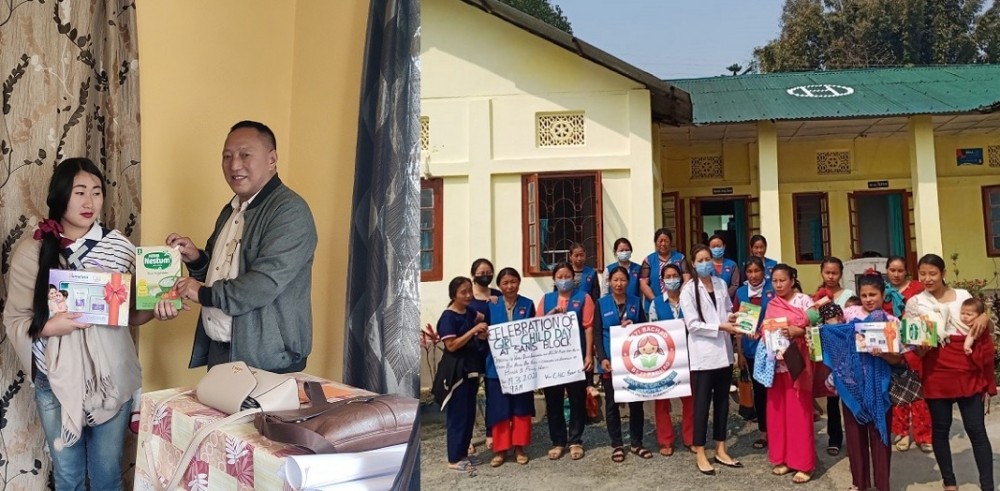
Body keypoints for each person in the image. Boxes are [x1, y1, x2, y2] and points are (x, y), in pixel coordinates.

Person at [3, 158, 167, 490]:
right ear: (60, 196)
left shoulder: (119, 247)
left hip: (110, 379)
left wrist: (156, 310)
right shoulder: (32, 251)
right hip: (55, 380)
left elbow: (128, 314)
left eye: (96, 192)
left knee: (107, 474)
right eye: (79, 192)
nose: (89, 202)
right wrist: (52, 326)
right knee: (68, 475)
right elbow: (17, 319)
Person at [162, 121, 318, 373]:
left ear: (272, 159)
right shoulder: (232, 209)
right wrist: (197, 258)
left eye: (245, 155)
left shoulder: (290, 211)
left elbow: (263, 284)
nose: (234, 165)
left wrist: (201, 293)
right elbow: (220, 270)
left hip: (268, 357)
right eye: (227, 156)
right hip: (222, 349)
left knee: (260, 416)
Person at [905, 254, 995, 491]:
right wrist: (922, 349)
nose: (927, 278)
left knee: (976, 430)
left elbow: (986, 326)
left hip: (967, 369)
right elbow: (914, 345)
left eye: (932, 273)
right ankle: (950, 482)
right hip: (936, 371)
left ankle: (988, 485)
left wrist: (985, 316)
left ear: (943, 273)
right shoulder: (915, 303)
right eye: (922, 273)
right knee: (941, 429)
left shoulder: (963, 297)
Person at [824, 271, 900, 491]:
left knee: (880, 439)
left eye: (873, 294)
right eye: (864, 295)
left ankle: (883, 485)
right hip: (852, 387)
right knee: (855, 441)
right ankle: (859, 484)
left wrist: (883, 353)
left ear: (883, 294)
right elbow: (831, 331)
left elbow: (897, 358)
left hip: (879, 388)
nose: (868, 299)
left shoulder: (891, 322)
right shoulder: (848, 314)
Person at [679, 244, 743, 476]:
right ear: (694, 264)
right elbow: (693, 325)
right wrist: (721, 326)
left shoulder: (721, 283)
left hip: (723, 354)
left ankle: (721, 448)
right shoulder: (688, 290)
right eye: (701, 260)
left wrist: (734, 318)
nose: (706, 263)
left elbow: (726, 311)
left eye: (708, 259)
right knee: (701, 405)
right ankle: (700, 451)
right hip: (703, 356)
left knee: (723, 404)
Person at [755, 264, 815, 484]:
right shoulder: (772, 304)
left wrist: (798, 330)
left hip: (797, 365)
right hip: (776, 365)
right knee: (778, 413)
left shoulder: (805, 302)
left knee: (799, 413)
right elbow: (765, 329)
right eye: (775, 281)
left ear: (792, 280)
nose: (779, 285)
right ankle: (783, 458)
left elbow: (816, 327)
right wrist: (760, 334)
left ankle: (804, 463)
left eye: (783, 280)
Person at [537, 261, 596, 461]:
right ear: (554, 279)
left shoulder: (584, 298)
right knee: (553, 401)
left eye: (567, 276)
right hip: (551, 361)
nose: (564, 280)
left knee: (577, 399)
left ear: (573, 278)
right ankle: (558, 441)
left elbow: (588, 327)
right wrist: (549, 315)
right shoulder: (546, 300)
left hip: (576, 358)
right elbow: (537, 327)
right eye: (560, 277)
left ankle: (576, 440)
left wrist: (589, 355)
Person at [595, 267, 652, 463]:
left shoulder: (636, 302)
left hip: (633, 362)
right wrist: (602, 358)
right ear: (610, 282)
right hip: (610, 363)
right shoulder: (601, 303)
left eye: (622, 280)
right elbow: (596, 334)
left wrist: (633, 326)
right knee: (612, 405)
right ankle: (617, 444)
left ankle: (637, 443)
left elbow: (645, 330)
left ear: (628, 282)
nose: (619, 284)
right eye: (615, 280)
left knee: (637, 403)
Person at [432, 277, 488, 472]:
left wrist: (493, 301)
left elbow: (483, 317)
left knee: (468, 414)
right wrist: (473, 330)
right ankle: (454, 457)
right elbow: (452, 345)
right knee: (457, 415)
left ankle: (464, 453)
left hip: (470, 368)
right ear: (453, 294)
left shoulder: (469, 311)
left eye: (470, 291)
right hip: (456, 371)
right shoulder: (448, 317)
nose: (468, 295)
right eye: (463, 292)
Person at [484, 268, 535, 467]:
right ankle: (500, 449)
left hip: (522, 366)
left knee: (521, 407)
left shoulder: (528, 304)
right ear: (499, 286)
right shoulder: (491, 306)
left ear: (519, 282)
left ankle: (520, 447)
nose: (510, 286)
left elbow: (536, 332)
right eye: (505, 283)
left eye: (513, 281)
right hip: (496, 367)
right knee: (499, 408)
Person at [881, 256, 930, 453]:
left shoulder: (917, 289)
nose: (896, 274)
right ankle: (901, 433)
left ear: (906, 272)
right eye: (892, 270)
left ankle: (924, 435)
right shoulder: (883, 292)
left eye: (900, 270)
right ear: (887, 270)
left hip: (915, 346)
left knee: (919, 395)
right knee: (898, 394)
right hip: (893, 348)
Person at [647, 263, 695, 456]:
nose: (672, 279)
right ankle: (665, 440)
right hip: (664, 359)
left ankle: (691, 438)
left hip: (689, 357)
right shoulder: (655, 303)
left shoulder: (689, 301)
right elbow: (652, 330)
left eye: (675, 275)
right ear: (663, 280)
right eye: (668, 276)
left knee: (690, 400)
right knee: (662, 400)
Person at [814, 256, 854, 457]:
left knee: (849, 396)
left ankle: (856, 437)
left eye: (834, 272)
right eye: (827, 272)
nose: (830, 276)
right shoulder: (817, 296)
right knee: (831, 397)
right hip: (826, 354)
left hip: (846, 352)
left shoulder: (848, 295)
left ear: (841, 274)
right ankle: (834, 438)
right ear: (821, 272)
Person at [734, 256, 772, 450]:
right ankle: (764, 433)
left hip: (773, 349)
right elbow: (738, 325)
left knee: (774, 391)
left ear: (763, 271)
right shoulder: (741, 293)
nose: (754, 275)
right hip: (750, 351)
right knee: (759, 392)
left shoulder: (773, 290)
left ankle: (779, 431)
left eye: (757, 271)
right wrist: (739, 352)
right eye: (750, 272)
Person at [468, 258, 501, 454]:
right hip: (471, 353)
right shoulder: (466, 296)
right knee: (468, 396)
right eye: (481, 272)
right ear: (473, 274)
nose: (485, 276)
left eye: (489, 272)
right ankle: (467, 437)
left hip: (493, 353)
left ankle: (491, 433)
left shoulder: (497, 295)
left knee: (493, 394)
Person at [639, 228, 689, 313]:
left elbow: (687, 279)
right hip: (654, 305)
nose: (663, 243)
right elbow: (643, 284)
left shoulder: (680, 258)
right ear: (655, 243)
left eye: (666, 241)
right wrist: (657, 302)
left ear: (671, 242)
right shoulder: (649, 260)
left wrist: (681, 296)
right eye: (660, 241)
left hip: (679, 303)